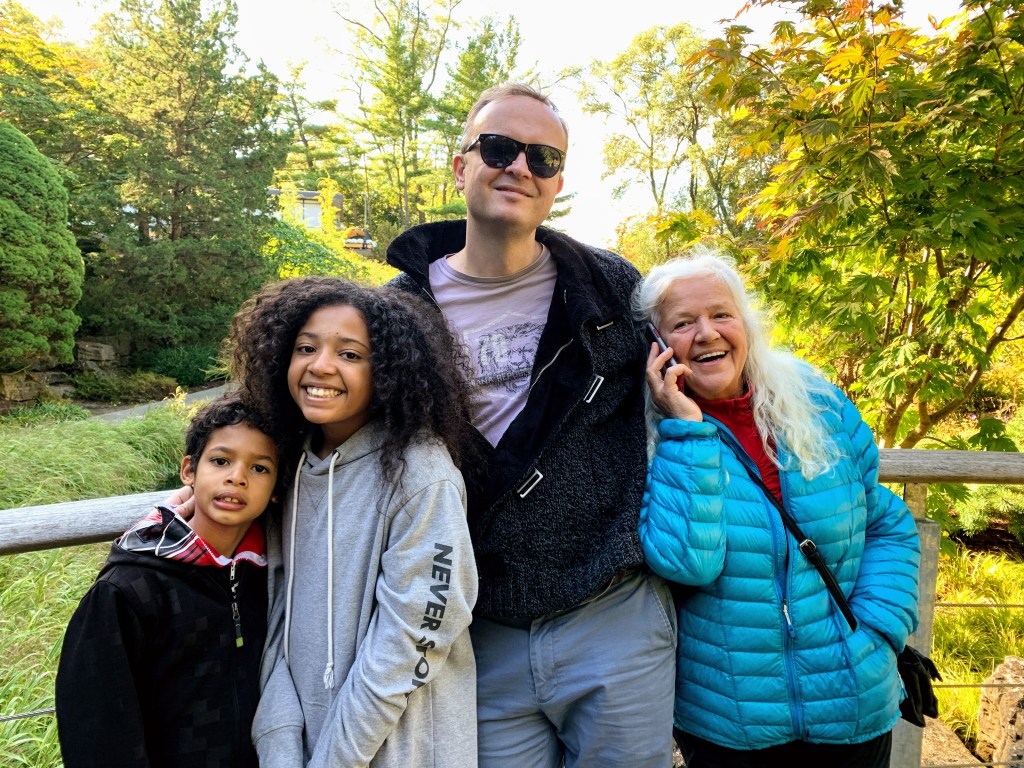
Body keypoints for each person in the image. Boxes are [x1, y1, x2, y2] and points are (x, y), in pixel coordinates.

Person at [386, 82, 676, 767]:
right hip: (475, 631)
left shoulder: (610, 285)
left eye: (542, 157)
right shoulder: (397, 311)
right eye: (498, 148)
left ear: (556, 186)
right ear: (460, 165)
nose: (519, 167)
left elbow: (703, 369)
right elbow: (331, 412)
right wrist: (230, 467)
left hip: (613, 614)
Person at [635, 249, 921, 768]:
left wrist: (878, 633)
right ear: (656, 344)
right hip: (731, 717)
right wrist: (685, 429)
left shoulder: (816, 402)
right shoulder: (649, 439)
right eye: (682, 323)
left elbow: (884, 522)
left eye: (721, 314)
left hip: (852, 700)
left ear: (745, 323)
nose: (707, 333)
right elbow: (689, 563)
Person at [228, 277, 479, 768]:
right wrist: (280, 746)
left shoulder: (421, 475)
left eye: (350, 354)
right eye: (306, 348)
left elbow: (412, 641)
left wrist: (334, 760)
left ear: (388, 371)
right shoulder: (288, 465)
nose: (320, 365)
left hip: (404, 750)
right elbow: (277, 619)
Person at [55, 394, 283, 768]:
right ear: (189, 470)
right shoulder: (128, 590)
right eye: (220, 461)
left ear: (275, 488)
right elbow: (97, 731)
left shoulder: (270, 576)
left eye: (260, 468)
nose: (237, 477)